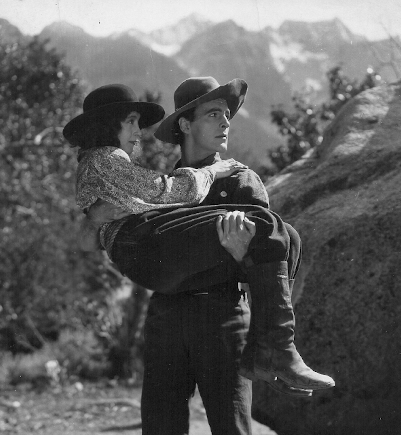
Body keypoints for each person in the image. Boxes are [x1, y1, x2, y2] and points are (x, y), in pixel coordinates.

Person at [108, 76, 332, 435]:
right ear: (184, 123)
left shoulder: (241, 179)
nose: (225, 121)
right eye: (213, 113)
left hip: (224, 317)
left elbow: (268, 260)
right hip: (166, 318)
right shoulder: (163, 184)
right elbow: (147, 257)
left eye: (228, 113)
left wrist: (236, 256)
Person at [65, 83, 334, 393]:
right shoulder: (106, 157)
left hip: (192, 288)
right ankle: (274, 352)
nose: (139, 131)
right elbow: (162, 190)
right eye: (131, 122)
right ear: (107, 125)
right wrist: (211, 173)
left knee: (289, 236)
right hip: (153, 263)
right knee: (270, 227)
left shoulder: (106, 162)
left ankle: (271, 353)